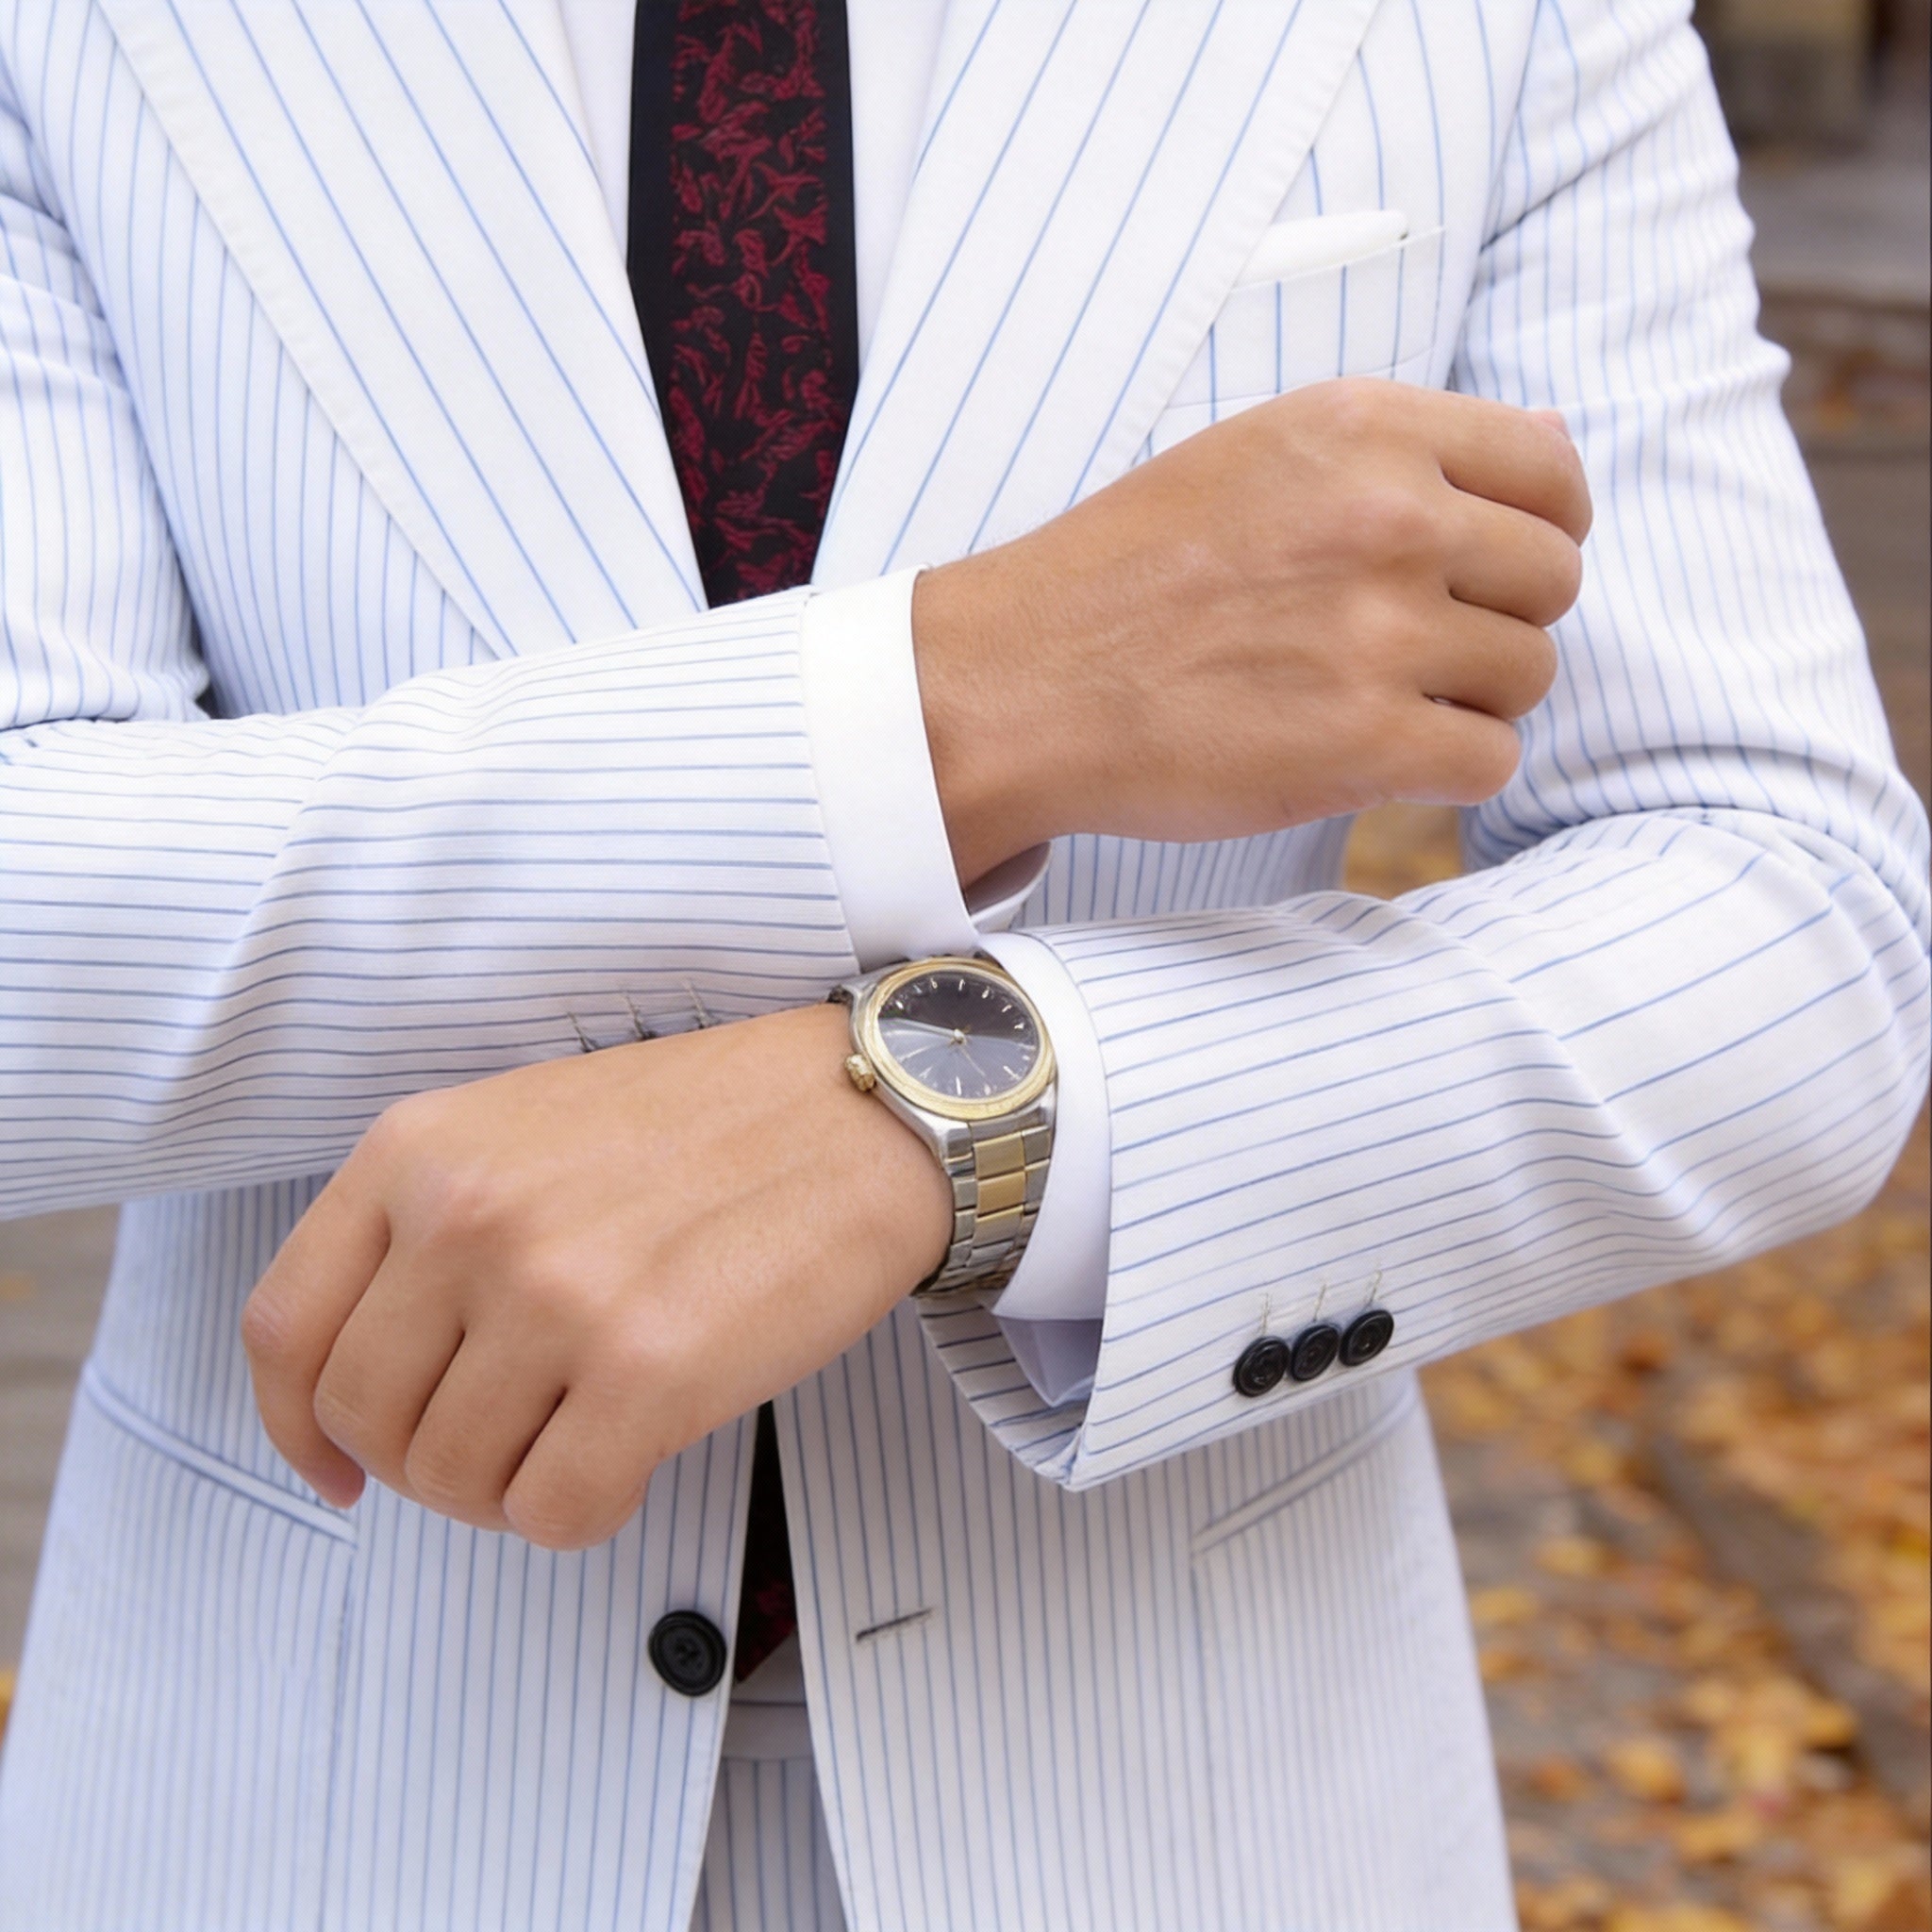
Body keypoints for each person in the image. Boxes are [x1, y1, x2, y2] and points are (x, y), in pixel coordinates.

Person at [0, 1, 1924, 1927]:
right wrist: (952, 700)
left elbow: (1788, 916)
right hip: (294, 1783)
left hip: (1190, 1792)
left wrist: (961, 1111)